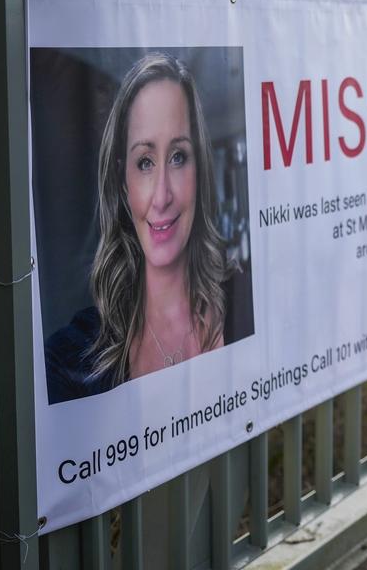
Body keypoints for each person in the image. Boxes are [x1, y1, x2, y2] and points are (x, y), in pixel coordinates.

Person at [46, 53, 232, 403]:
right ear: (122, 183)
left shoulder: (240, 306)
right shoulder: (65, 362)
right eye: (145, 162)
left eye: (178, 157)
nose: (161, 196)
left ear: (201, 171)